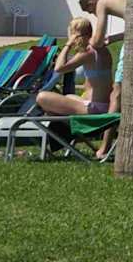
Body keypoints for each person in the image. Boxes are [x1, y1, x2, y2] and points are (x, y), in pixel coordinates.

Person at [35, 16, 117, 159]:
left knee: (42, 97)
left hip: (95, 110)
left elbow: (59, 68)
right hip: (103, 106)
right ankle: (62, 133)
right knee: (68, 97)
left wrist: (68, 45)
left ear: (74, 34)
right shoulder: (102, 50)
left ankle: (63, 133)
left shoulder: (88, 52)